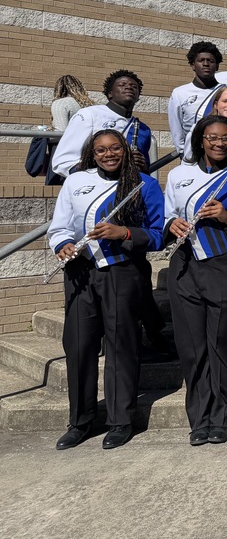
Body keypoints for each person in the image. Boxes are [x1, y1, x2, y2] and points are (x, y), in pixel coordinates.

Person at [49, 129, 164, 450]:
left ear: (125, 151)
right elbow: (59, 227)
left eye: (115, 148)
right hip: (80, 274)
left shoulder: (145, 183)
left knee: (121, 346)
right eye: (101, 150)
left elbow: (157, 234)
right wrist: (63, 244)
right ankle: (81, 421)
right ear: (92, 154)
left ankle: (120, 420)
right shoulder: (75, 181)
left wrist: (124, 231)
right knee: (79, 346)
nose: (108, 154)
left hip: (122, 273)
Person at [163, 115, 227, 445]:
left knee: (223, 344)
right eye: (212, 138)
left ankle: (222, 415)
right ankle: (199, 418)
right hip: (185, 265)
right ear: (200, 140)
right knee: (192, 348)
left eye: (226, 139)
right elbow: (166, 217)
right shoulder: (178, 175)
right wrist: (171, 227)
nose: (219, 143)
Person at [52, 70, 153, 177]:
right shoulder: (89, 115)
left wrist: (143, 167)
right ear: (110, 93)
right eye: (122, 85)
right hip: (95, 186)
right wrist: (105, 166)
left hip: (130, 187)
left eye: (134, 86)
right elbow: (63, 162)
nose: (128, 87)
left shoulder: (144, 129)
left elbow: (145, 169)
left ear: (138, 97)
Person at [169, 41, 224, 157]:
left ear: (217, 66)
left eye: (211, 61)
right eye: (201, 60)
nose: (206, 64)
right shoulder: (180, 93)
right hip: (192, 154)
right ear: (193, 65)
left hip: (220, 152)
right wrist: (184, 152)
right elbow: (176, 128)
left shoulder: (226, 92)